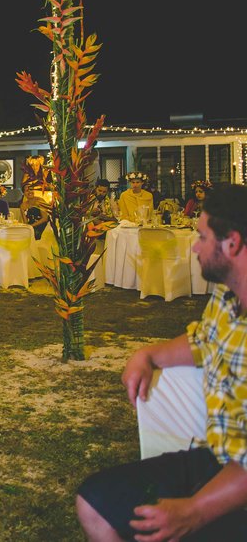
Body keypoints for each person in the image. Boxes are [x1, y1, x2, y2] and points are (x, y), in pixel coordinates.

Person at [75, 183, 247, 541]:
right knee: (94, 503)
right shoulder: (228, 300)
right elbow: (201, 341)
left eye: (201, 237)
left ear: (231, 243)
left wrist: (195, 511)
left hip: (238, 481)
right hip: (217, 459)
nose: (195, 246)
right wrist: (147, 354)